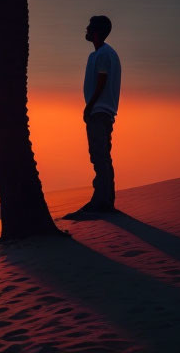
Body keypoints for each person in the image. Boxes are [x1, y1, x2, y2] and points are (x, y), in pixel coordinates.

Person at [64, 15, 122, 218]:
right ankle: (104, 199)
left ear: (96, 31)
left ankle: (102, 201)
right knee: (102, 155)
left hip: (100, 111)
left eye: (89, 27)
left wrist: (89, 106)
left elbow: (102, 81)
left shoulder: (104, 54)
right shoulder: (100, 54)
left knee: (99, 156)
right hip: (102, 111)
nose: (86, 30)